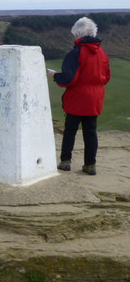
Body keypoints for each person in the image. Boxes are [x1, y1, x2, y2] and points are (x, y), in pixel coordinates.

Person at [49, 17, 110, 175]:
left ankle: (65, 161)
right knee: (91, 132)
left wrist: (55, 76)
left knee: (70, 131)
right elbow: (106, 77)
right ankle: (90, 165)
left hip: (77, 98)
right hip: (95, 99)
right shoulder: (102, 54)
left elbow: (69, 79)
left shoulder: (75, 53)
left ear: (77, 34)